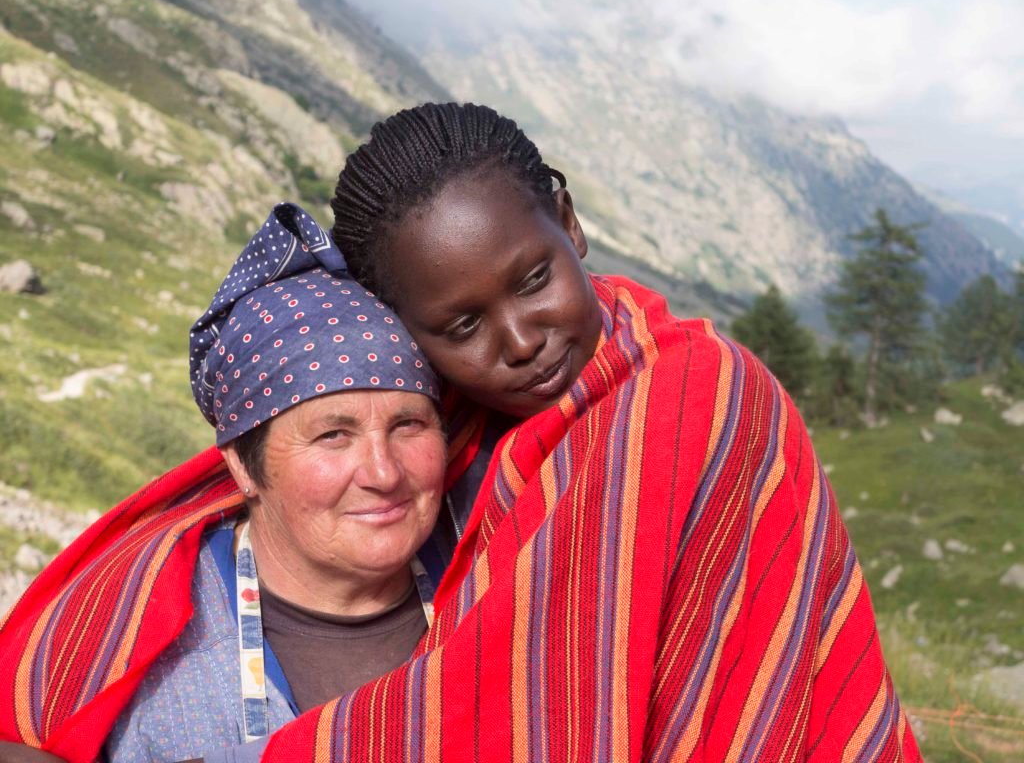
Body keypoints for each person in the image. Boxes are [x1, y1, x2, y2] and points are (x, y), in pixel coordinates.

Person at [1, 102, 922, 762]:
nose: (522, 342)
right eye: (461, 327)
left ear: (569, 225)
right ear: (413, 334)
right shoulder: (465, 433)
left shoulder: (702, 399)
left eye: (531, 280)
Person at [0, 205, 450, 763]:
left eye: (410, 425)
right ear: (242, 464)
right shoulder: (138, 663)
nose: (384, 473)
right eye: (333, 435)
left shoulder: (502, 586)